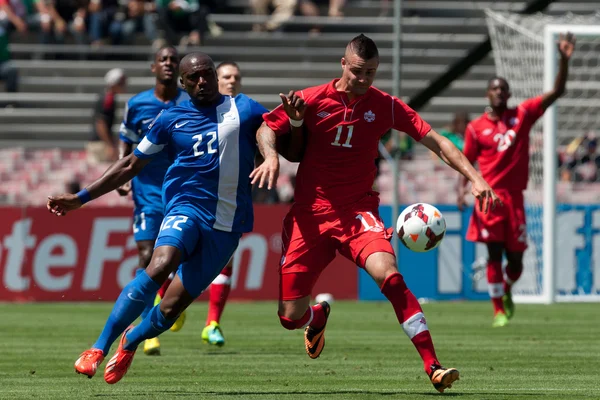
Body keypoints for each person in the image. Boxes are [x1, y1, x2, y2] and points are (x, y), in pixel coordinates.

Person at [251, 34, 499, 394]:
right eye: (357, 71)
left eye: (371, 72)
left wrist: (475, 177)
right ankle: (316, 316)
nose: (364, 79)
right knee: (290, 318)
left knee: (391, 278)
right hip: (311, 215)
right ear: (342, 64)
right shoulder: (310, 99)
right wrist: (271, 156)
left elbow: (436, 140)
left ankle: (433, 365)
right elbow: (265, 129)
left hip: (358, 212)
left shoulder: (385, 105)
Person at [47, 51, 268, 384]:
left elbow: (274, 129)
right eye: (194, 77)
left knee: (170, 309)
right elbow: (129, 164)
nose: (203, 81)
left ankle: (131, 340)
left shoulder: (245, 108)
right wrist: (81, 198)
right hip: (185, 208)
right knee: (159, 261)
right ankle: (97, 347)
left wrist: (274, 152)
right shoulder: (170, 118)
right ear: (183, 83)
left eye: (207, 73)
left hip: (226, 224)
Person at [457, 33, 575, 328]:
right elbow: (465, 162)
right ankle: (498, 309)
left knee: (517, 261)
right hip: (488, 198)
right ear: (488, 94)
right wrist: (461, 191)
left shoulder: (522, 115)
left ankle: (506, 287)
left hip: (515, 199)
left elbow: (557, 92)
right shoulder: (475, 128)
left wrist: (563, 59)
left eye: (503, 89)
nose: (499, 92)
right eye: (494, 88)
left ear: (508, 94)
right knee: (494, 255)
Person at [116, 46, 189, 356]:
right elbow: (127, 141)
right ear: (153, 67)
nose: (169, 64)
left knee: (175, 258)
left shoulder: (190, 104)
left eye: (174, 60)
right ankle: (148, 325)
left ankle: (173, 300)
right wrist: (121, 175)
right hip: (147, 192)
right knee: (147, 256)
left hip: (182, 192)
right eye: (164, 60)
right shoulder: (137, 104)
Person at [196, 60, 243, 346]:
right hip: (194, 195)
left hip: (229, 199)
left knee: (225, 261)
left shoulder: (246, 111)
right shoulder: (198, 108)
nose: (232, 80)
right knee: (176, 256)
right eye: (227, 76)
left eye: (236, 77)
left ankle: (212, 323)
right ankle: (162, 309)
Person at [87, 68, 127, 165]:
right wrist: (110, 145)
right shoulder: (108, 99)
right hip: (100, 143)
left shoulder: (108, 97)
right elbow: (101, 123)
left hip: (101, 142)